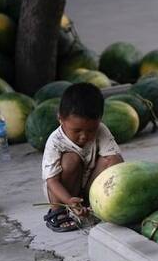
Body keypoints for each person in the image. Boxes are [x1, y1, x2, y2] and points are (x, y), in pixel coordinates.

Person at [42, 82, 123, 232]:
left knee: (112, 160)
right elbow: (51, 181)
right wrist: (68, 201)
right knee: (71, 160)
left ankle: (94, 204)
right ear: (60, 118)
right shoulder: (55, 142)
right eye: (77, 130)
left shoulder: (101, 130)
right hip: (61, 194)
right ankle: (58, 212)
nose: (84, 136)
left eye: (91, 130)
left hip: (88, 187)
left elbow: (116, 162)